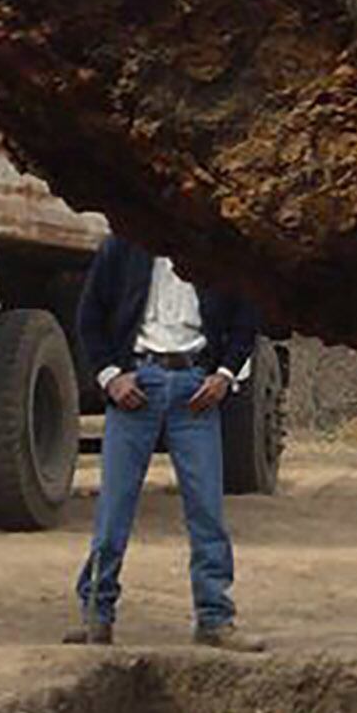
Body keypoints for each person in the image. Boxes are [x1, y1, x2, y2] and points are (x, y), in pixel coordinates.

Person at [65, 235, 265, 649]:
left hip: (195, 389)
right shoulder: (121, 248)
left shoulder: (217, 254)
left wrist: (224, 376)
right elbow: (90, 318)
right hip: (138, 383)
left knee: (207, 510)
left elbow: (247, 320)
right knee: (114, 510)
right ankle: (96, 614)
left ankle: (214, 617)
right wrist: (109, 376)